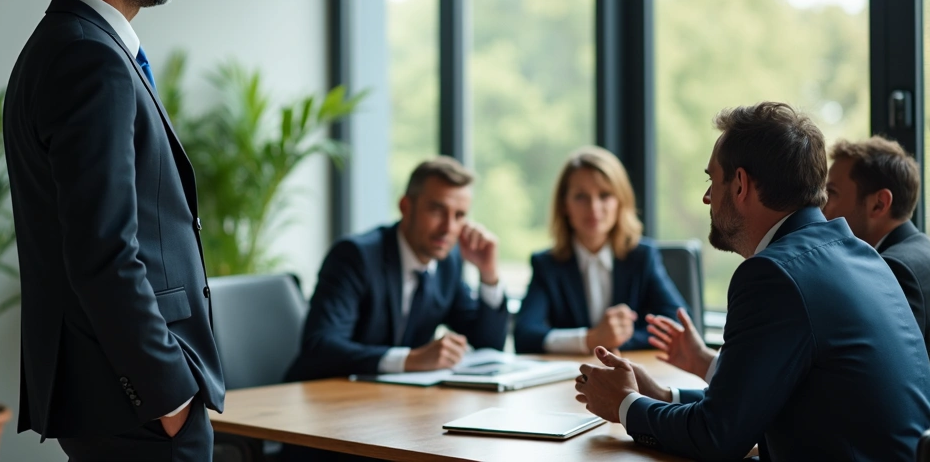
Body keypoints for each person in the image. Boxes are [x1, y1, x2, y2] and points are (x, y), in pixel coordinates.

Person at [2, 0, 223, 461]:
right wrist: (168, 394)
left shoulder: (65, 45)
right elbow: (102, 250)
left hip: (116, 399)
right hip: (138, 405)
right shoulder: (88, 57)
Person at [577, 102, 930, 460]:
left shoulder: (774, 275)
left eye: (712, 180)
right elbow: (754, 403)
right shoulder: (859, 254)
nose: (707, 197)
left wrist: (624, 404)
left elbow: (716, 437)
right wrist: (665, 396)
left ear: (740, 185)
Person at [285, 156, 508, 382]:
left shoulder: (448, 263)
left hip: (396, 397)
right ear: (405, 207)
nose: (448, 228)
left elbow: (488, 346)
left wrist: (488, 275)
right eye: (437, 211)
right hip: (323, 393)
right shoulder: (355, 256)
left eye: (459, 216)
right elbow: (321, 346)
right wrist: (410, 360)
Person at [514, 146, 686, 354]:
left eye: (605, 195)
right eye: (581, 196)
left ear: (620, 202)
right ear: (564, 205)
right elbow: (524, 335)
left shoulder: (642, 257)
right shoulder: (547, 265)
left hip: (632, 369)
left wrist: (616, 341)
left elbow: (679, 325)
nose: (594, 207)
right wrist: (590, 339)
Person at [823, 136, 930, 352]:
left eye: (831, 192)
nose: (821, 205)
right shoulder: (923, 247)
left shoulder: (892, 269)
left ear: (879, 204)